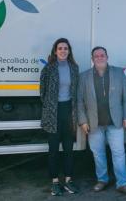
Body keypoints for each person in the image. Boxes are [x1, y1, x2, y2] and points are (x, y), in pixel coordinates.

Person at [77, 46, 126, 196]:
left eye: (102, 55)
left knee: (119, 153)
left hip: (115, 122)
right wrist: (83, 121)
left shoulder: (118, 73)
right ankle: (102, 180)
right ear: (92, 59)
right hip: (94, 123)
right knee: (98, 153)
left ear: (107, 57)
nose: (99, 57)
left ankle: (122, 183)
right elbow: (79, 101)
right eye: (96, 56)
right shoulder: (84, 76)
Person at [40, 38, 80, 196]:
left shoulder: (74, 68)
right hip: (53, 112)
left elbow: (75, 91)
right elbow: (42, 92)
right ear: (55, 51)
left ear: (69, 51)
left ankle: (69, 179)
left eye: (65, 48)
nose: (63, 51)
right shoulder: (48, 68)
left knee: (69, 148)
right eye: (60, 48)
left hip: (69, 111)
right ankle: (55, 182)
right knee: (54, 149)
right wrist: (51, 106)